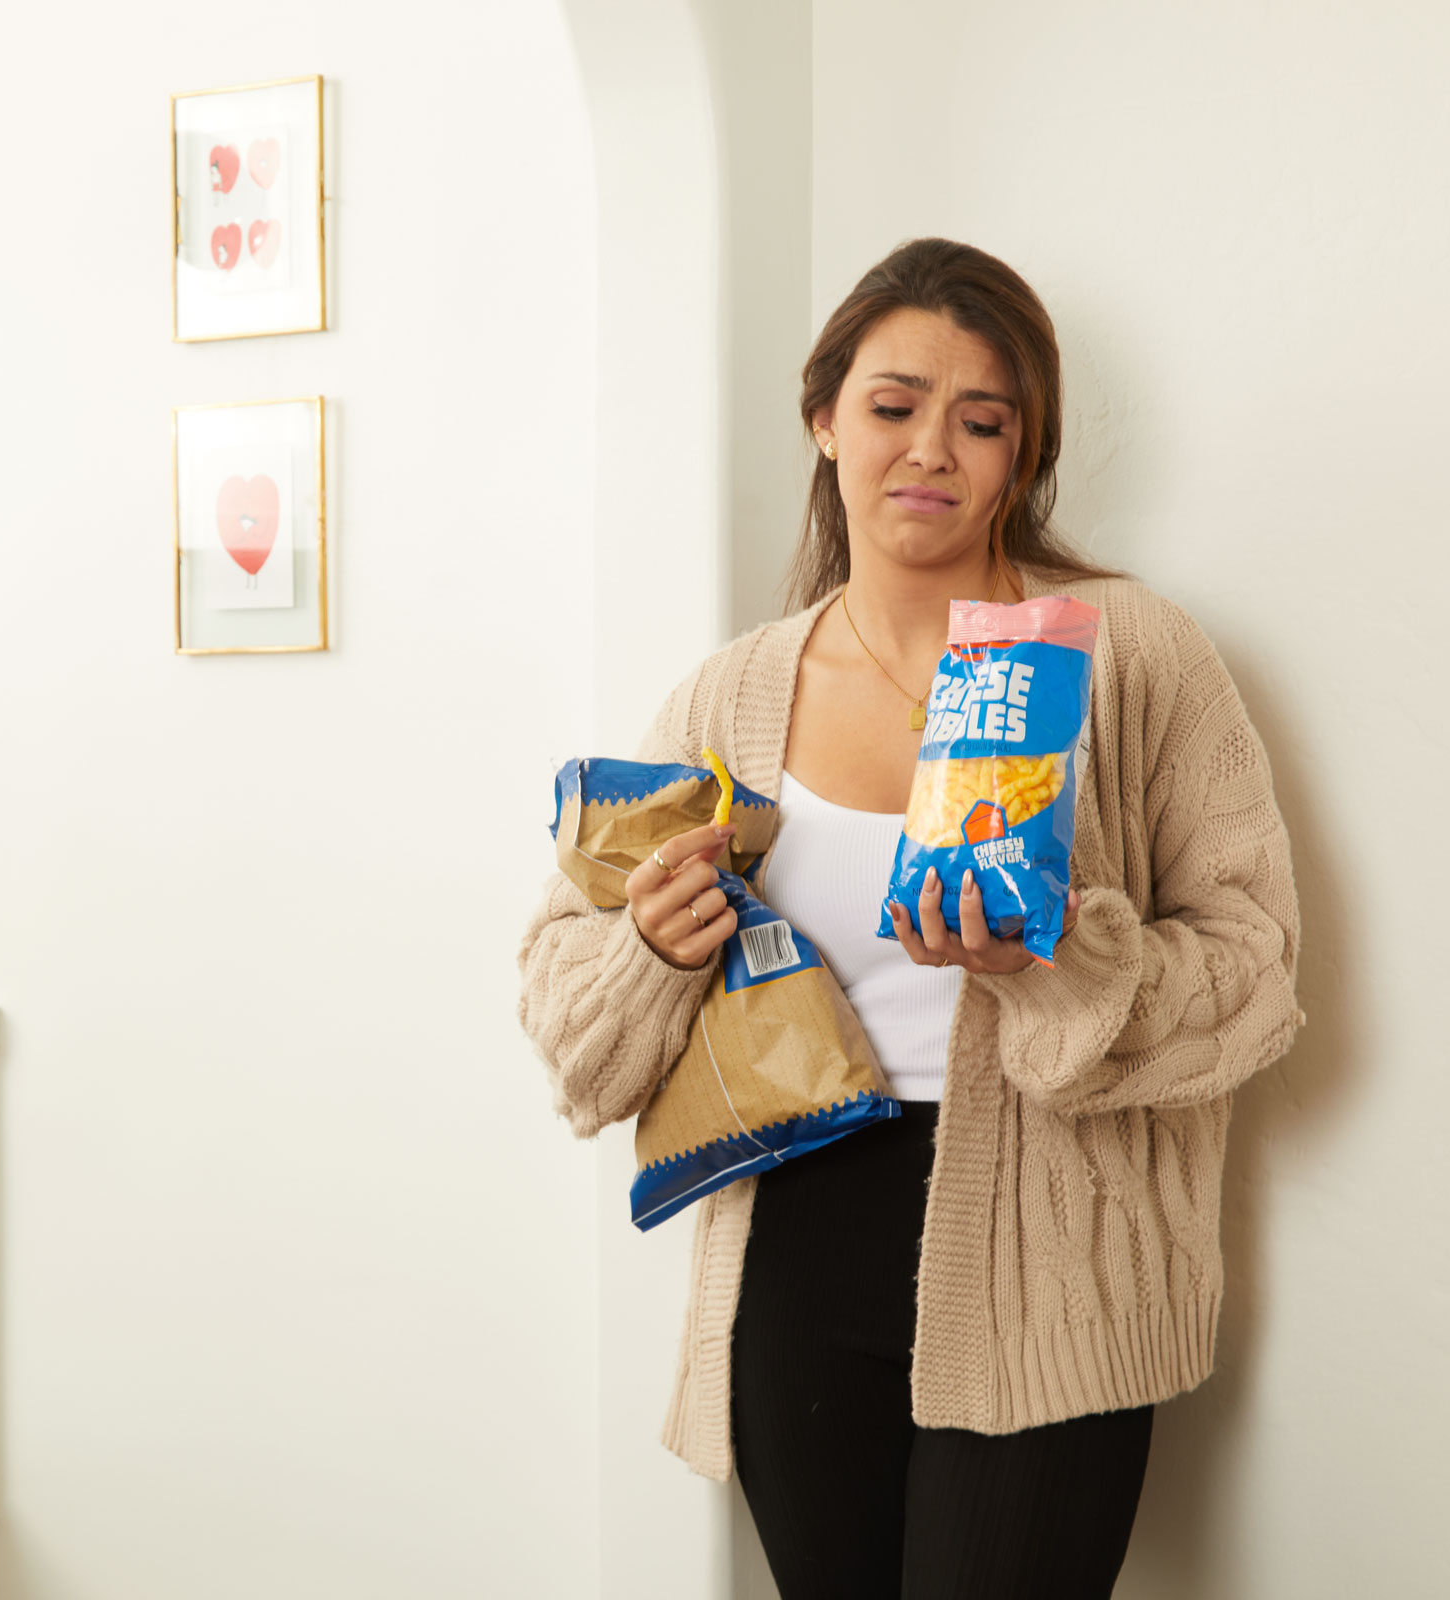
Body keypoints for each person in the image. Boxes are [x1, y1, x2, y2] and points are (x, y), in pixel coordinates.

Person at [516, 237, 1306, 1599]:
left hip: (1053, 1257)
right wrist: (651, 947)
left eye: (982, 420)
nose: (930, 448)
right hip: (791, 1263)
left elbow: (1254, 971)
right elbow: (565, 999)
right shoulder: (731, 697)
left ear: (1023, 455)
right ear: (825, 423)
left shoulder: (1134, 659)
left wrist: (1054, 957)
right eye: (891, 407)